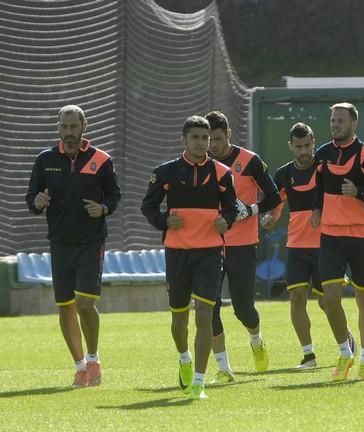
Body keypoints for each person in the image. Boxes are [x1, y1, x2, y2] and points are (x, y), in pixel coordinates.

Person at [141, 115, 238, 400]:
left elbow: (232, 208)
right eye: (195, 137)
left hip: (210, 252)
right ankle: (184, 358)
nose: (201, 143)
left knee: (205, 314)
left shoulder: (222, 173)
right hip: (178, 252)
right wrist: (163, 221)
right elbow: (148, 206)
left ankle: (199, 381)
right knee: (179, 318)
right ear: (184, 139)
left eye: (205, 138)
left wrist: (227, 221)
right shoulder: (166, 172)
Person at [25, 104, 121, 387]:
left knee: (85, 303)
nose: (69, 132)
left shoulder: (102, 160)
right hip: (59, 243)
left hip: (91, 243)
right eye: (64, 127)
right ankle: (80, 366)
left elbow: (115, 195)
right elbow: (31, 196)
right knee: (65, 306)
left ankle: (93, 359)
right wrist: (36, 203)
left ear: (84, 127)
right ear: (58, 128)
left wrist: (103, 208)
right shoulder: (45, 160)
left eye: (73, 126)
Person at [261, 122, 355, 369]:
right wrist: (271, 218)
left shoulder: (326, 170)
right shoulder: (283, 174)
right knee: (296, 297)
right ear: (291, 146)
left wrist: (321, 211)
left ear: (313, 143)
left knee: (327, 302)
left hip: (327, 245)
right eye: (298, 146)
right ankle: (308, 356)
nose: (304, 150)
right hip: (297, 245)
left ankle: (346, 341)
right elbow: (277, 202)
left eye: (307, 145)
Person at [312, 102, 364, 381]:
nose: (335, 125)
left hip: (362, 236)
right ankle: (346, 351)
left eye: (341, 121)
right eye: (333, 120)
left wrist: (359, 191)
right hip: (331, 235)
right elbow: (316, 189)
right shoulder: (321, 154)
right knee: (329, 298)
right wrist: (316, 209)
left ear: (354, 124)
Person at [205, 110, 281, 382]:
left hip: (243, 245)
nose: (212, 145)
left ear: (228, 135)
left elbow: (273, 196)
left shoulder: (250, 162)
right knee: (209, 306)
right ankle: (223, 369)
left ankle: (256, 340)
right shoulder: (200, 165)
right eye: (207, 140)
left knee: (243, 309)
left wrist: (250, 210)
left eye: (216, 138)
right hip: (209, 246)